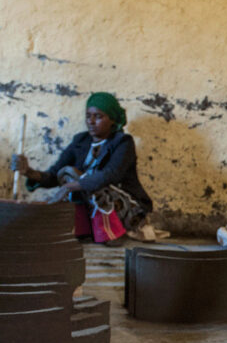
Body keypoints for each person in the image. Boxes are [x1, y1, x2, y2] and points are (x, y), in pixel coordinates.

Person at [11, 92, 153, 245]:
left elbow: (111, 175)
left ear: (112, 119)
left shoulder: (123, 142)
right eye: (88, 116)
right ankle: (84, 230)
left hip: (127, 209)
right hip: (93, 202)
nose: (91, 121)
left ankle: (112, 232)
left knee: (90, 182)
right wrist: (28, 171)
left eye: (98, 116)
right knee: (67, 173)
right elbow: (54, 175)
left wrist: (70, 187)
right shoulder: (81, 141)